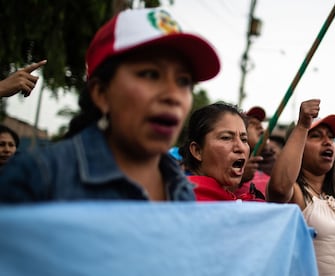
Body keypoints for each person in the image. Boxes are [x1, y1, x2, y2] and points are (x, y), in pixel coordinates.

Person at [0, 8, 220, 202]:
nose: (174, 96)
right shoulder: (36, 179)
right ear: (101, 93)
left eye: (184, 81)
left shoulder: (181, 190)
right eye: (151, 74)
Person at [267, 99, 335, 275]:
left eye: (331, 137)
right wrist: (302, 126)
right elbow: (278, 187)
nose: (327, 142)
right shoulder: (295, 191)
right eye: (316, 135)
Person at [180, 102, 261, 201]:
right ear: (197, 151)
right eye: (226, 138)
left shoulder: (224, 198)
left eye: (244, 139)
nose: (240, 148)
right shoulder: (186, 197)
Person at [236, 106, 275, 200]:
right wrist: (240, 178)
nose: (260, 126)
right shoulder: (229, 169)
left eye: (260, 124)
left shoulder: (276, 165)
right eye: (252, 124)